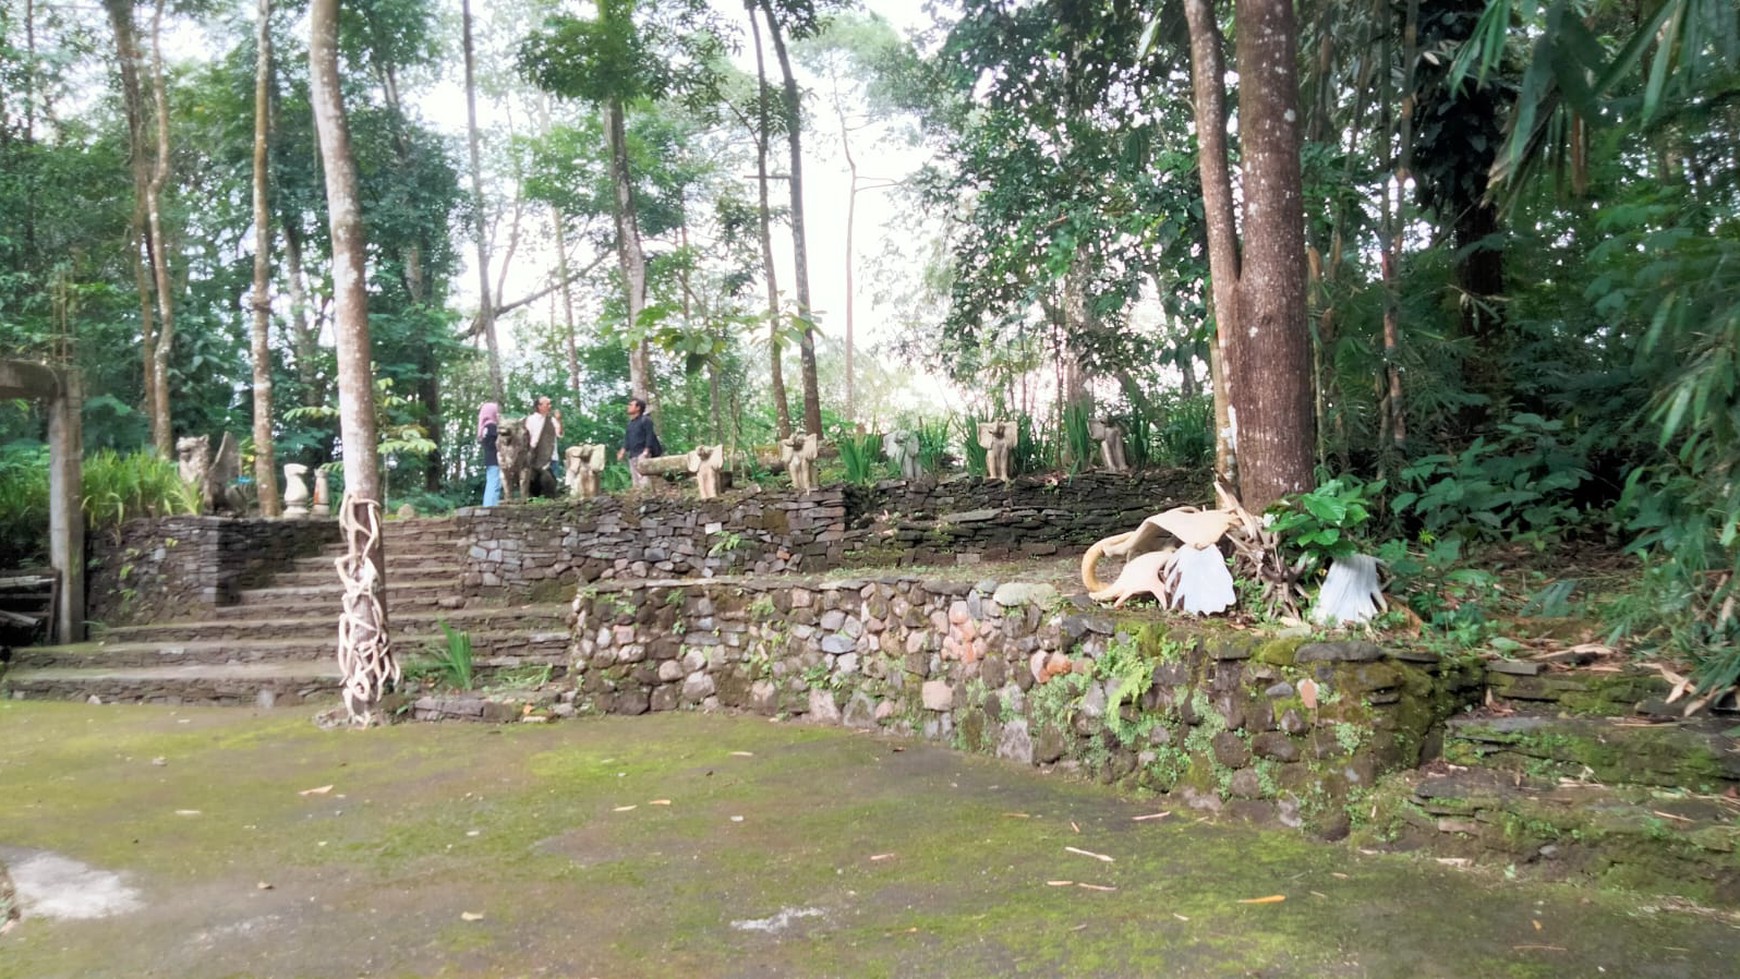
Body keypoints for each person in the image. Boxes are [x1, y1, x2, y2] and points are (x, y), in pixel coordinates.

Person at [523, 395, 563, 498]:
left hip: (552, 457)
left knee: (552, 487)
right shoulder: (530, 420)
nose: (550, 406)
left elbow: (560, 434)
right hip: (535, 458)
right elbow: (526, 440)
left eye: (550, 404)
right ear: (539, 406)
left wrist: (559, 420)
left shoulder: (552, 420)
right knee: (534, 487)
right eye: (547, 404)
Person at [618, 397, 661, 489]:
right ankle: (639, 499)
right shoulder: (630, 424)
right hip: (633, 454)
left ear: (638, 408)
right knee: (636, 482)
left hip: (642, 453)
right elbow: (627, 439)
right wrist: (622, 451)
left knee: (644, 480)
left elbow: (649, 435)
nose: (628, 407)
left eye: (631, 405)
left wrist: (646, 450)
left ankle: (648, 498)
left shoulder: (645, 420)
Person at [477, 401, 502, 506]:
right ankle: (490, 506)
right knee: (495, 484)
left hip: (489, 459)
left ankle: (488, 504)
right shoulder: (492, 427)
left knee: (491, 482)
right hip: (495, 459)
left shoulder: (484, 428)